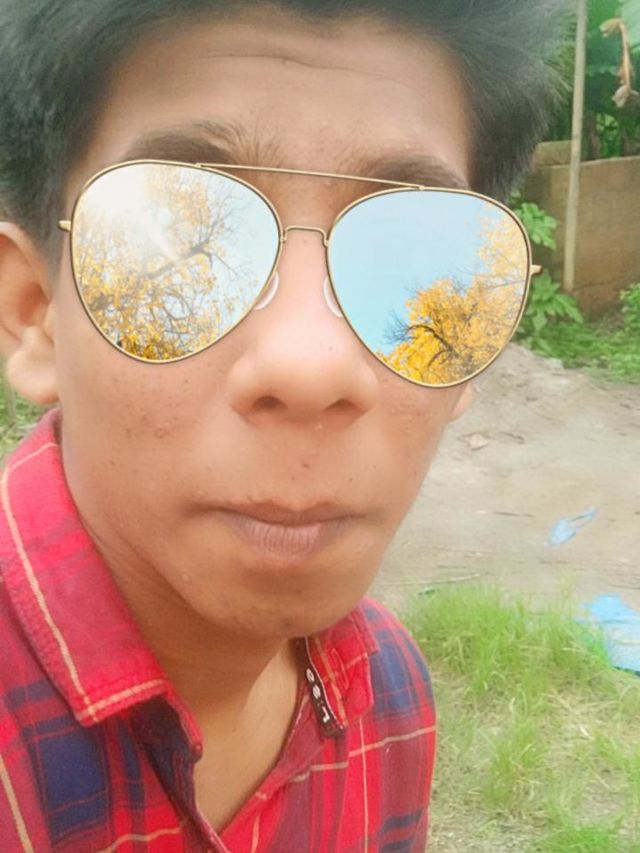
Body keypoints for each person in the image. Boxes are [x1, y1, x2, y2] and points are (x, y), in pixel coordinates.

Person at [0, 1, 569, 850]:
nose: (312, 363)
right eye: (177, 246)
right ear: (34, 312)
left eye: (414, 260)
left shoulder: (392, 701)